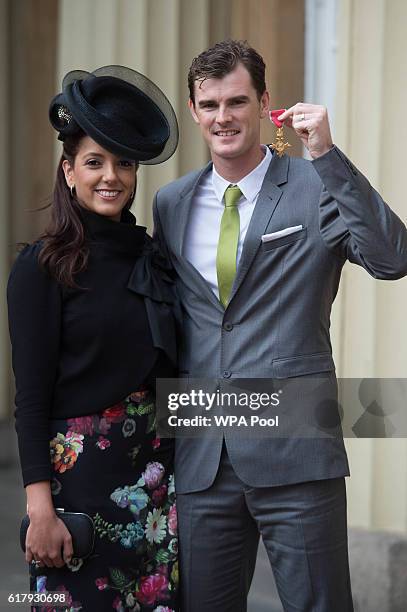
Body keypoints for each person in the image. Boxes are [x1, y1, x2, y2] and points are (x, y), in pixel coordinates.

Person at [152, 40, 407, 611]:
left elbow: (392, 258)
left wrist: (330, 157)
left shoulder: (318, 183)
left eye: (238, 101)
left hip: (295, 448)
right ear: (194, 110)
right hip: (202, 455)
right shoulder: (170, 203)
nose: (224, 117)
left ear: (266, 104)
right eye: (210, 104)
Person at [8, 66, 180, 611]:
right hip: (76, 489)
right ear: (68, 171)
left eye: (123, 163)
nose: (111, 176)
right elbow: (30, 399)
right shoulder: (42, 266)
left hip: (156, 488)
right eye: (94, 162)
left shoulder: (154, 257)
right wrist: (40, 508)